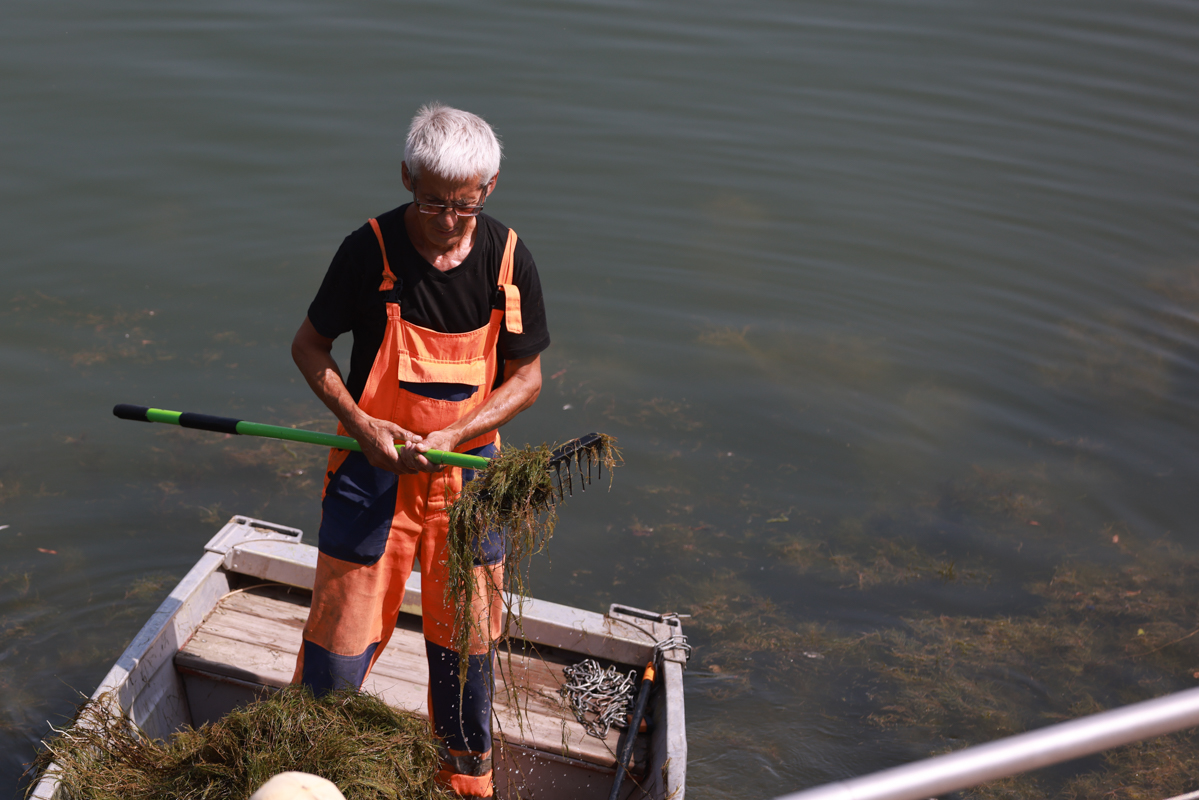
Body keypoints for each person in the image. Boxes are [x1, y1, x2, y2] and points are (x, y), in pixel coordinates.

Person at [289, 103, 550, 797]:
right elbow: (309, 349)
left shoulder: (508, 257)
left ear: (488, 190)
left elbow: (527, 377)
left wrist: (456, 436)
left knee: (466, 649)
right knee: (338, 646)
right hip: (370, 473)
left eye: (462, 207)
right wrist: (362, 425)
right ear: (406, 176)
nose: (445, 221)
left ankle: (462, 787)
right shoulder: (367, 251)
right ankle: (317, 773)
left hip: (466, 482)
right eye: (431, 201)